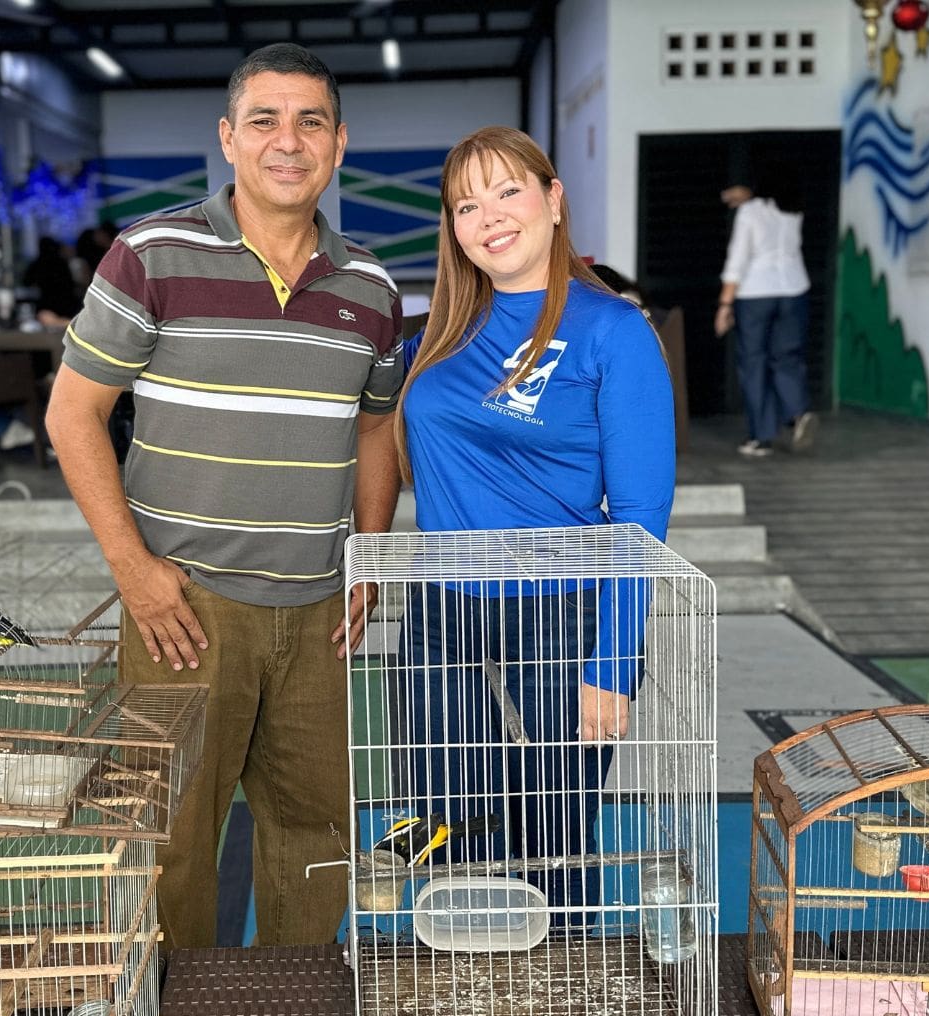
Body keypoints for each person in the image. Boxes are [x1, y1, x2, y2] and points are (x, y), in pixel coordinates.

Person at [46, 43, 406, 950]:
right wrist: (133, 571)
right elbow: (73, 416)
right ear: (229, 138)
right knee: (168, 844)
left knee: (316, 840)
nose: (288, 141)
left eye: (310, 121)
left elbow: (375, 431)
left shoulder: (371, 285)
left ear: (338, 142)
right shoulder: (152, 254)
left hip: (322, 612)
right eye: (264, 120)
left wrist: (366, 555)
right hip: (185, 608)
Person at [390, 126, 675, 920]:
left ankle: (564, 1014)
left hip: (561, 616)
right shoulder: (438, 333)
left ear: (553, 199)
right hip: (442, 616)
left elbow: (643, 511)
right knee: (453, 832)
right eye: (466, 205)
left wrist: (614, 658)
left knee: (549, 839)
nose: (489, 217)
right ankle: (472, 1008)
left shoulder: (612, 330)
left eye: (508, 191)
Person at [716, 180, 815, 457]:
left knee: (753, 363)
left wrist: (725, 303)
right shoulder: (794, 210)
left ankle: (761, 437)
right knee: (787, 357)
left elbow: (737, 259)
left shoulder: (750, 212)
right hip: (794, 289)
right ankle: (798, 412)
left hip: (755, 293)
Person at [25, 236, 82, 327]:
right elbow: (70, 284)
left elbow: (26, 282)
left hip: (46, 303)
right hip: (66, 304)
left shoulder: (37, 264)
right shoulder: (62, 263)